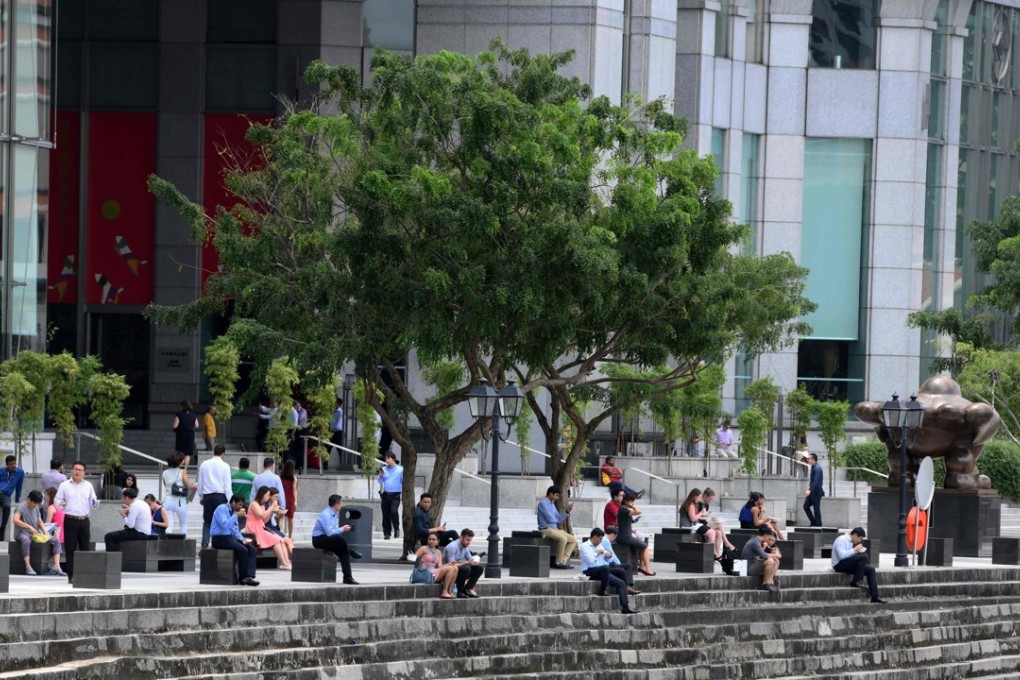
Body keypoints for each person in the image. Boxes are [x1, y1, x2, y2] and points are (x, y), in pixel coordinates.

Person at [54, 460, 99, 583]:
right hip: (70, 520)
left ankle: (84, 575)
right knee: (70, 548)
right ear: (72, 471)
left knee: (85, 548)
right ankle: (71, 576)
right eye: (75, 469)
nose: (77, 471)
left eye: (80, 470)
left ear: (84, 472)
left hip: (84, 520)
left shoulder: (88, 485)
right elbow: (56, 501)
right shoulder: (65, 485)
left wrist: (95, 503)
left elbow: (94, 502)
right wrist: (61, 503)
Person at [580, 528, 637, 615]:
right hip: (589, 571)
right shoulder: (584, 546)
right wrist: (597, 553)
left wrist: (608, 556)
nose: (601, 541)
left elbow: (609, 559)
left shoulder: (599, 546)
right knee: (605, 568)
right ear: (595, 537)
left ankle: (625, 607)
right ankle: (603, 590)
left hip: (603, 570)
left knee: (621, 577)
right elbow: (590, 561)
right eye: (600, 539)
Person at [210, 494, 259, 586]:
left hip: (229, 538)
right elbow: (224, 525)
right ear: (233, 502)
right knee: (243, 550)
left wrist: (242, 539)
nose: (240, 507)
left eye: (242, 505)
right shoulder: (221, 509)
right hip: (219, 538)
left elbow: (235, 530)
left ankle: (249, 576)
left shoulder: (234, 513)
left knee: (251, 549)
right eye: (239, 505)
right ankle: (243, 577)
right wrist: (235, 516)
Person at [311, 494, 361, 585]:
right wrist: (342, 529)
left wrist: (343, 529)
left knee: (343, 553)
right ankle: (351, 551)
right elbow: (330, 533)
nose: (341, 505)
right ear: (336, 504)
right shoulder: (326, 514)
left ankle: (347, 577)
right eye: (340, 503)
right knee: (339, 539)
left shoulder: (334, 514)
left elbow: (333, 531)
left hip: (328, 540)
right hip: (319, 540)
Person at [12, 490, 64, 576]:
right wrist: (29, 527)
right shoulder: (21, 507)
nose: (36, 506)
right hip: (22, 532)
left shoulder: (36, 508)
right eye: (34, 503)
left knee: (55, 540)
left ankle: (56, 565)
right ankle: (28, 567)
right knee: (26, 540)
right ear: (29, 499)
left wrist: (45, 532)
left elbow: (40, 521)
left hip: (35, 532)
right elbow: (15, 520)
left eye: (37, 504)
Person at [832, 527, 885, 604]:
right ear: (855, 535)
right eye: (860, 538)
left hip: (846, 563)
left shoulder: (851, 542)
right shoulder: (841, 539)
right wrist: (854, 550)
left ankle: (875, 596)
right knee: (864, 557)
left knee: (871, 570)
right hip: (838, 565)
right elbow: (841, 555)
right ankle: (856, 581)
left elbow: (849, 556)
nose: (860, 541)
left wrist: (856, 552)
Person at [246, 486, 294, 570]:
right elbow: (261, 515)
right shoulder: (254, 504)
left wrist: (272, 512)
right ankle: (283, 562)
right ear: (262, 495)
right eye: (267, 495)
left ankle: (286, 562)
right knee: (276, 540)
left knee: (280, 540)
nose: (268, 497)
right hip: (253, 528)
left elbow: (264, 520)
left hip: (261, 527)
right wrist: (272, 507)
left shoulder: (262, 506)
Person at [197, 444, 233, 548]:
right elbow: (227, 486)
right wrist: (230, 500)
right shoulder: (225, 466)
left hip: (207, 495)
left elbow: (200, 482)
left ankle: (204, 542)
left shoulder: (204, 464)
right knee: (220, 520)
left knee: (207, 520)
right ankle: (217, 543)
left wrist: (201, 497)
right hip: (220, 496)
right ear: (223, 454)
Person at [536, 486, 578, 569]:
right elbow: (550, 519)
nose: (557, 497)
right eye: (556, 495)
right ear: (551, 494)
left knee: (573, 539)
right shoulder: (543, 503)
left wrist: (567, 511)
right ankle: (558, 562)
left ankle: (563, 561)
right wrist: (556, 518)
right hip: (545, 529)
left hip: (554, 529)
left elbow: (558, 518)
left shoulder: (552, 504)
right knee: (563, 539)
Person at [616, 492, 655, 576]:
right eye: (632, 501)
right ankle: (647, 568)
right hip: (625, 537)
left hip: (625, 535)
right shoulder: (624, 510)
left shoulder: (622, 510)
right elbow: (639, 511)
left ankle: (642, 566)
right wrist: (632, 506)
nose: (633, 503)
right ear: (627, 501)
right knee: (645, 546)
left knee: (643, 545)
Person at [104, 487, 153, 552]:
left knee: (109, 536)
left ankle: (111, 560)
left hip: (139, 533)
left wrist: (124, 516)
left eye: (123, 498)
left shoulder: (134, 506)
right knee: (118, 534)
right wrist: (128, 510)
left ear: (126, 497)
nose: (123, 501)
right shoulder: (141, 503)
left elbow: (130, 525)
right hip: (145, 532)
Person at [414, 532, 459, 599]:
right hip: (424, 573)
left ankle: (449, 591)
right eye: (430, 539)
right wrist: (410, 557)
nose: (431, 541)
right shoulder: (423, 548)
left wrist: (449, 564)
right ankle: (444, 591)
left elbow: (439, 566)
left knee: (454, 568)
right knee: (450, 569)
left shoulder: (438, 552)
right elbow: (414, 558)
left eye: (433, 539)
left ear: (438, 541)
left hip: (434, 573)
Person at [161, 451, 196, 536]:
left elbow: (166, 486)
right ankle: (183, 545)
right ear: (180, 461)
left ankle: (166, 545)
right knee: (183, 525)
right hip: (180, 502)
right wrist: (197, 485)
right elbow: (189, 486)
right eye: (183, 460)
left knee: (169, 526)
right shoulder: (182, 472)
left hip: (168, 501)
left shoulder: (164, 473)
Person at [443, 528, 484, 598]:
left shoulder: (465, 547)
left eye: (470, 540)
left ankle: (468, 589)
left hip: (458, 570)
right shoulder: (452, 546)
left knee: (479, 568)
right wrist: (466, 563)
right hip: (449, 571)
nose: (469, 542)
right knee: (466, 568)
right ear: (461, 537)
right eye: (467, 540)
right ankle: (459, 591)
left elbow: (470, 559)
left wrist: (475, 561)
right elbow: (451, 565)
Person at [741, 525, 780, 592]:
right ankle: (765, 583)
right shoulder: (755, 542)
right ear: (765, 535)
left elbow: (761, 555)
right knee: (769, 561)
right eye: (768, 536)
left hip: (754, 564)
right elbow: (764, 556)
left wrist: (774, 556)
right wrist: (775, 554)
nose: (768, 538)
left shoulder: (756, 540)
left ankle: (770, 582)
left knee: (776, 561)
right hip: (748, 568)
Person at [377, 452, 403, 539]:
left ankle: (396, 529)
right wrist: (380, 476)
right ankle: (387, 533)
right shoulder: (383, 469)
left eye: (388, 458)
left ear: (393, 459)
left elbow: (403, 481)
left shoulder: (400, 470)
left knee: (394, 511)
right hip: (386, 494)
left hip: (396, 494)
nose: (387, 460)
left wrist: (402, 494)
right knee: (385, 514)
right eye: (386, 459)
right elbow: (380, 482)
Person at [0, 454, 25, 540]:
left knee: (7, 506)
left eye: (14, 463)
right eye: (11, 464)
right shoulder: (1, 471)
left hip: (5, 495)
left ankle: (2, 528)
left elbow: (19, 486)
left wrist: (17, 499)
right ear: (7, 464)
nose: (13, 466)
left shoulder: (20, 472)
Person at [804, 452, 825, 527]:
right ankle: (813, 522)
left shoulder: (817, 468)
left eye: (809, 459)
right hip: (813, 491)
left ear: (813, 459)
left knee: (816, 508)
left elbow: (816, 480)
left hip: (816, 492)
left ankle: (818, 525)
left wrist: (809, 490)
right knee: (806, 506)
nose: (807, 460)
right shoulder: (813, 467)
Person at [280, 460, 299, 539]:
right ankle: (290, 536)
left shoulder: (280, 476)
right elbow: (294, 490)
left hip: (281, 499)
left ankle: (280, 534)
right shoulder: (293, 478)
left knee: (281, 517)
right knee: (290, 519)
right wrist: (295, 501)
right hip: (290, 499)